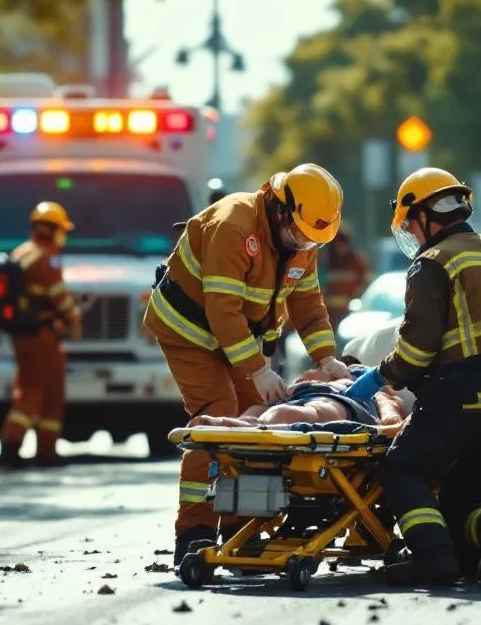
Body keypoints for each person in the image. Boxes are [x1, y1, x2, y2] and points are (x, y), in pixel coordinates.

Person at [144, 163, 354, 566]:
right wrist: (258, 369)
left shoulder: (302, 241)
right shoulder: (234, 224)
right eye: (299, 235)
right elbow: (222, 310)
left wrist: (328, 359)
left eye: (313, 242)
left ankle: (240, 528)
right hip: (189, 331)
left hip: (236, 339)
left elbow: (308, 307)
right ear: (278, 208)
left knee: (256, 424)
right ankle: (194, 531)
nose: (304, 245)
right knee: (218, 420)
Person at [341, 167, 481, 588]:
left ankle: (433, 559)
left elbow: (415, 351)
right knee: (459, 498)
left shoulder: (431, 264)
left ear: (426, 215)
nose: (412, 234)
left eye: (411, 224)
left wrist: (379, 377)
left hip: (459, 399)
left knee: (401, 469)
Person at [0, 202, 84, 470]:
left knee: (42, 388)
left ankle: (46, 448)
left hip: (25, 334)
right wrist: (74, 319)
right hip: (41, 336)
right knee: (37, 389)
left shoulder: (22, 252)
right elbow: (59, 298)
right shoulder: (44, 260)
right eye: (62, 230)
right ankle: (14, 444)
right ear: (54, 231)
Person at [189, 361, 407, 428]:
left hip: (341, 403)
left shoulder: (364, 380)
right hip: (300, 399)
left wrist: (390, 418)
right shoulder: (318, 377)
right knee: (258, 410)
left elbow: (385, 400)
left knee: (285, 414)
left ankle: (239, 427)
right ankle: (241, 425)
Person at [321, 230, 372, 324]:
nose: (341, 248)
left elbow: (367, 283)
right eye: (337, 244)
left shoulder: (357, 261)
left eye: (343, 244)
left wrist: (357, 297)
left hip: (351, 313)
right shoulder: (327, 263)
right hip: (331, 314)